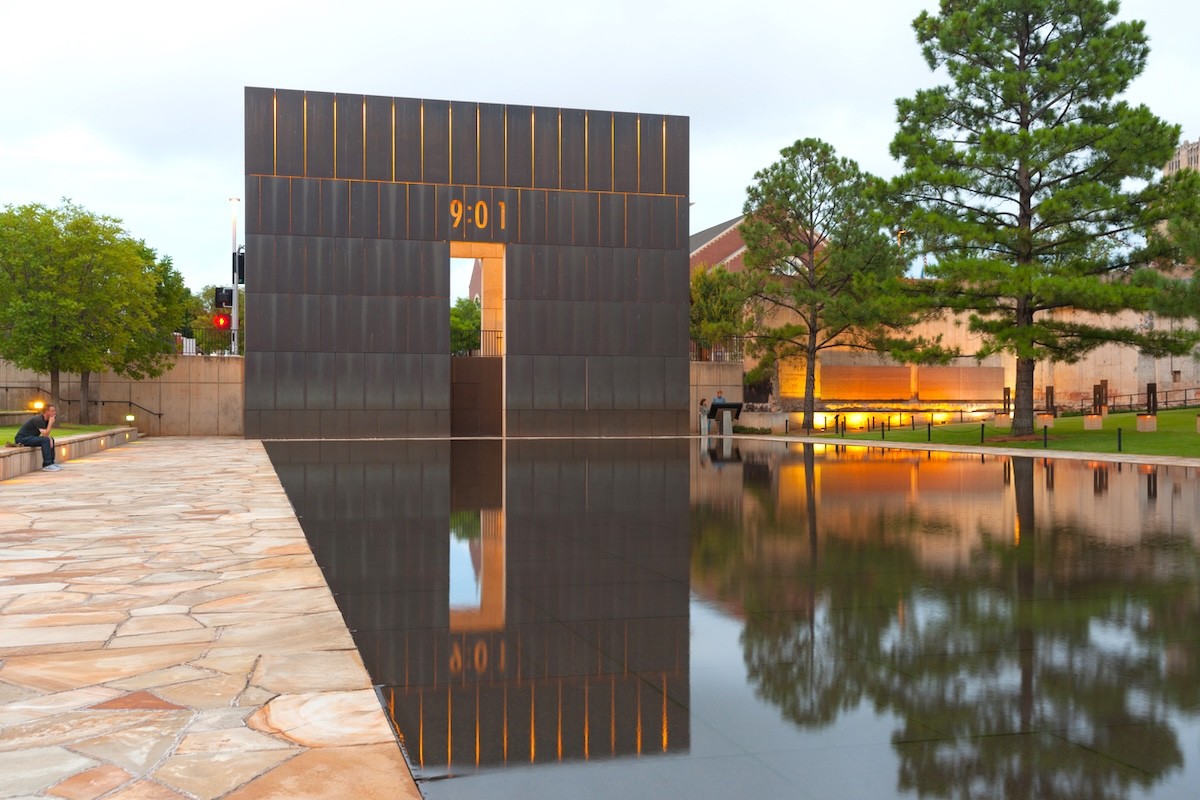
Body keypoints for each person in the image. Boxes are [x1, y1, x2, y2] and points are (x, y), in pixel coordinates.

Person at [16, 404, 61, 472]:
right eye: (52, 411)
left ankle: (52, 462)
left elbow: (45, 434)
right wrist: (50, 423)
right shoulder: (38, 420)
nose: (55, 413)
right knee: (46, 440)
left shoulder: (46, 420)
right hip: (22, 439)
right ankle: (47, 465)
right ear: (46, 412)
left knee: (51, 439)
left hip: (31, 437)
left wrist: (50, 438)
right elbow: (45, 434)